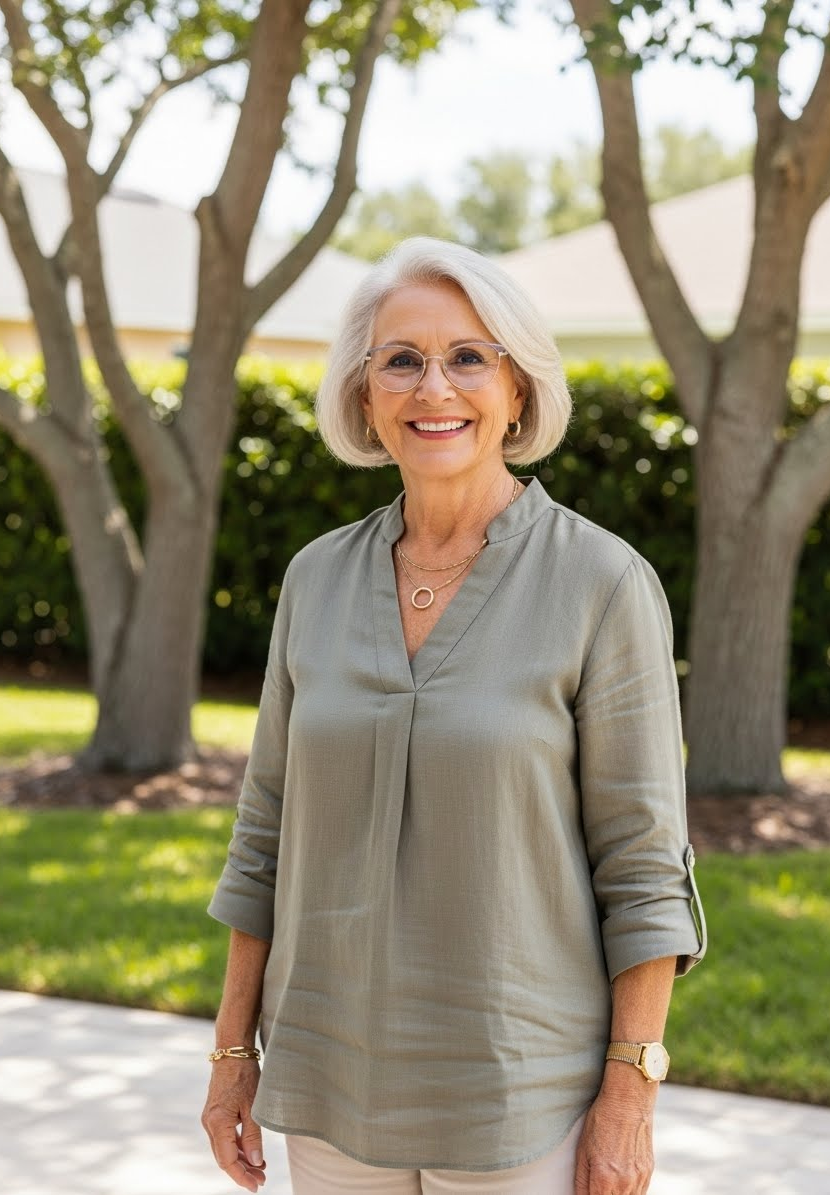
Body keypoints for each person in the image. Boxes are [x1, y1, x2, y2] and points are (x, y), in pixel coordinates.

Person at [201, 237, 707, 1195]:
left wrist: (630, 1095)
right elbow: (263, 833)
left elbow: (644, 868)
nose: (435, 387)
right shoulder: (315, 579)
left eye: (469, 357)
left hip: (520, 1099)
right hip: (328, 1085)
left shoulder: (603, 582)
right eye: (402, 359)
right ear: (365, 396)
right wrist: (233, 1055)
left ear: (517, 391)